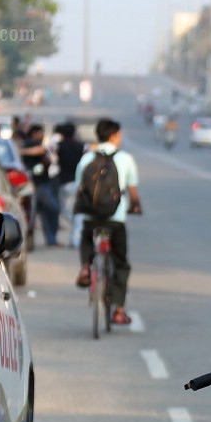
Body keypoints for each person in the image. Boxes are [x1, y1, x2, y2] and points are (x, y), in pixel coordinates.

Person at [73, 118, 141, 325]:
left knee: (86, 239)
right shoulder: (125, 158)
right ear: (114, 136)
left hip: (91, 216)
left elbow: (79, 188)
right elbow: (132, 190)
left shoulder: (86, 159)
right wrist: (135, 205)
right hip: (115, 218)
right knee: (120, 262)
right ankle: (119, 310)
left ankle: (86, 266)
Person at [20, 123, 60, 247]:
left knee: (46, 214)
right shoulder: (29, 144)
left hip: (42, 183)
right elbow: (39, 150)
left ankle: (51, 240)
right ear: (34, 134)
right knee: (51, 210)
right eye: (40, 132)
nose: (42, 135)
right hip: (36, 185)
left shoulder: (37, 147)